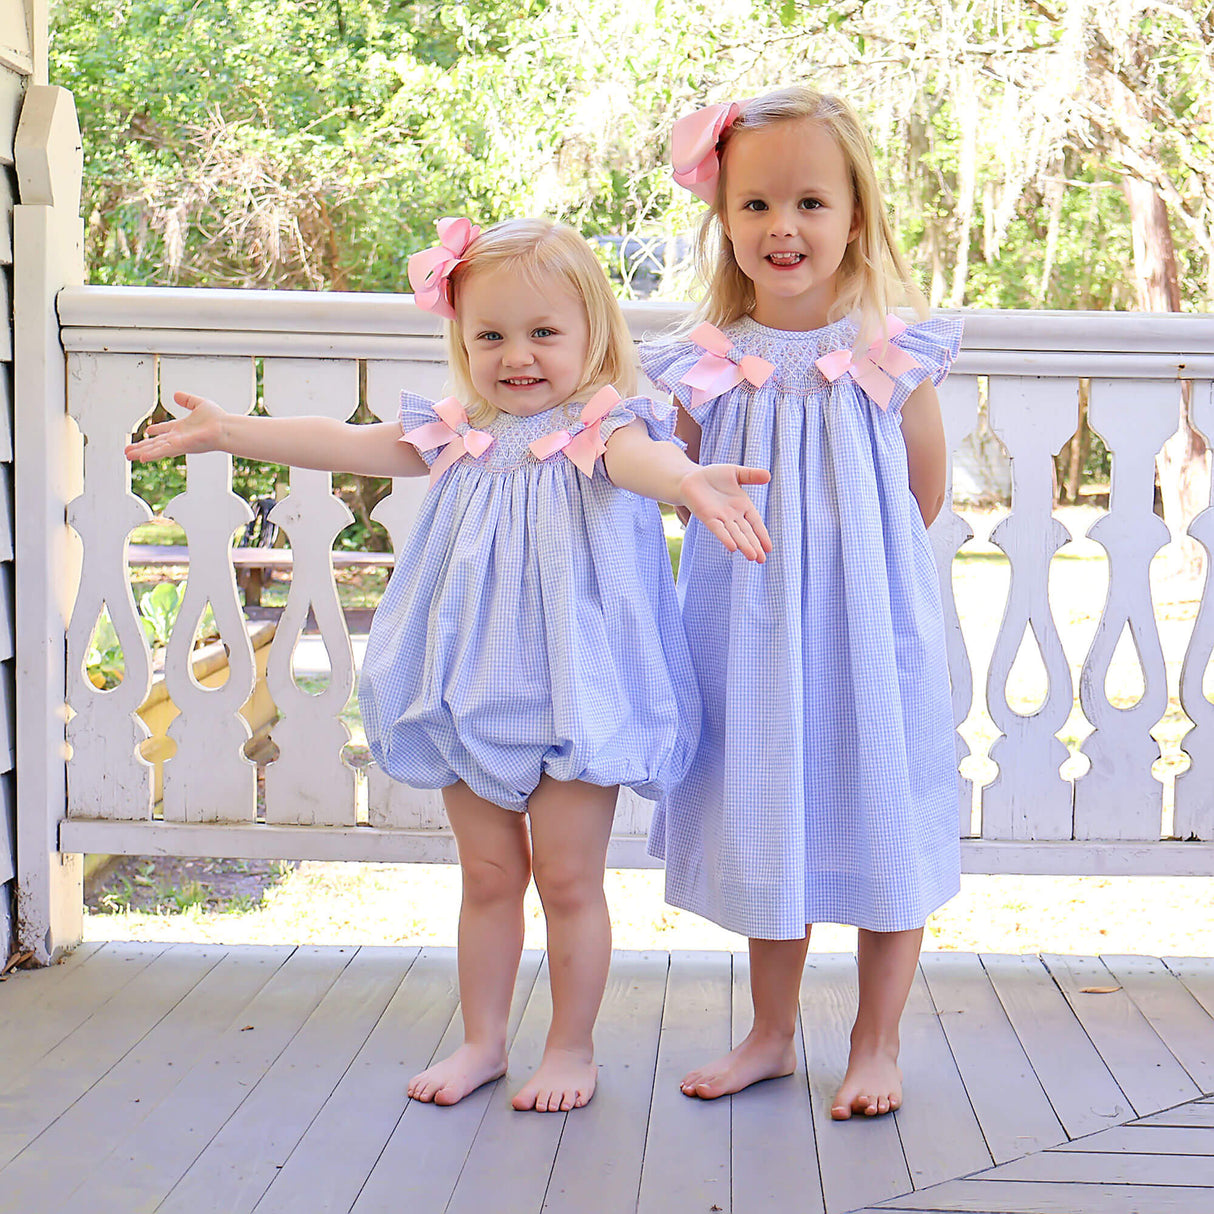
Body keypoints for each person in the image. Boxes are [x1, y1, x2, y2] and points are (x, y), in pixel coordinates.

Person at [125, 216, 771, 1114]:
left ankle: (572, 1049)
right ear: (462, 341)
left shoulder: (600, 427)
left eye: (545, 333)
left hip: (575, 694)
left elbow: (646, 462)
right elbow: (346, 444)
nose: (518, 355)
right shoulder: (462, 431)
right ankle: (482, 1041)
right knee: (490, 877)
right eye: (491, 334)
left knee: (569, 879)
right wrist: (231, 430)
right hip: (468, 688)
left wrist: (690, 482)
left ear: (592, 336)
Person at [640, 87, 963, 1119]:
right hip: (749, 628)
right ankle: (770, 1033)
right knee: (765, 807)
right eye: (755, 206)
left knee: (880, 809)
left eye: (810, 204)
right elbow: (675, 473)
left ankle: (876, 1041)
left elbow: (923, 488)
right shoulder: (705, 362)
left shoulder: (886, 352)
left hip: (867, 624)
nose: (782, 228)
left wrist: (855, 575)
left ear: (853, 216)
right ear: (722, 220)